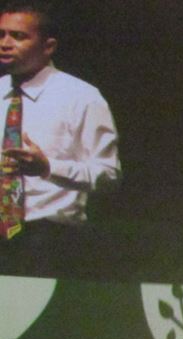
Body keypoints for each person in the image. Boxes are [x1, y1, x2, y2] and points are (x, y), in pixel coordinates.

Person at [0, 1, 120, 245]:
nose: (5, 43)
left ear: (48, 46)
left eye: (18, 36)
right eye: (1, 34)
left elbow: (109, 176)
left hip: (50, 238)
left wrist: (48, 168)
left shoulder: (81, 97)